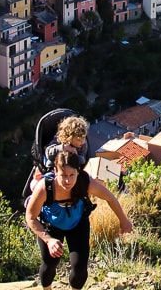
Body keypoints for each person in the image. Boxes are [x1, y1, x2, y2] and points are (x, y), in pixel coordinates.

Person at [25, 150, 133, 290]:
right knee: (50, 264)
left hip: (77, 224)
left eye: (72, 175)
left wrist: (123, 220)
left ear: (78, 171)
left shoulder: (85, 183)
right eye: (63, 175)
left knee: (80, 267)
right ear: (55, 171)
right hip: (51, 226)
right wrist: (48, 240)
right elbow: (30, 217)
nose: (68, 180)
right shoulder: (45, 188)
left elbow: (110, 198)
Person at [30, 116, 91, 192]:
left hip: (73, 172)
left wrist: (76, 155)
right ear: (69, 137)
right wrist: (63, 148)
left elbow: (82, 159)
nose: (82, 142)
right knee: (36, 186)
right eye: (78, 139)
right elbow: (48, 152)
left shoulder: (82, 146)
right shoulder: (58, 141)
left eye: (84, 138)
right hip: (55, 170)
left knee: (87, 181)